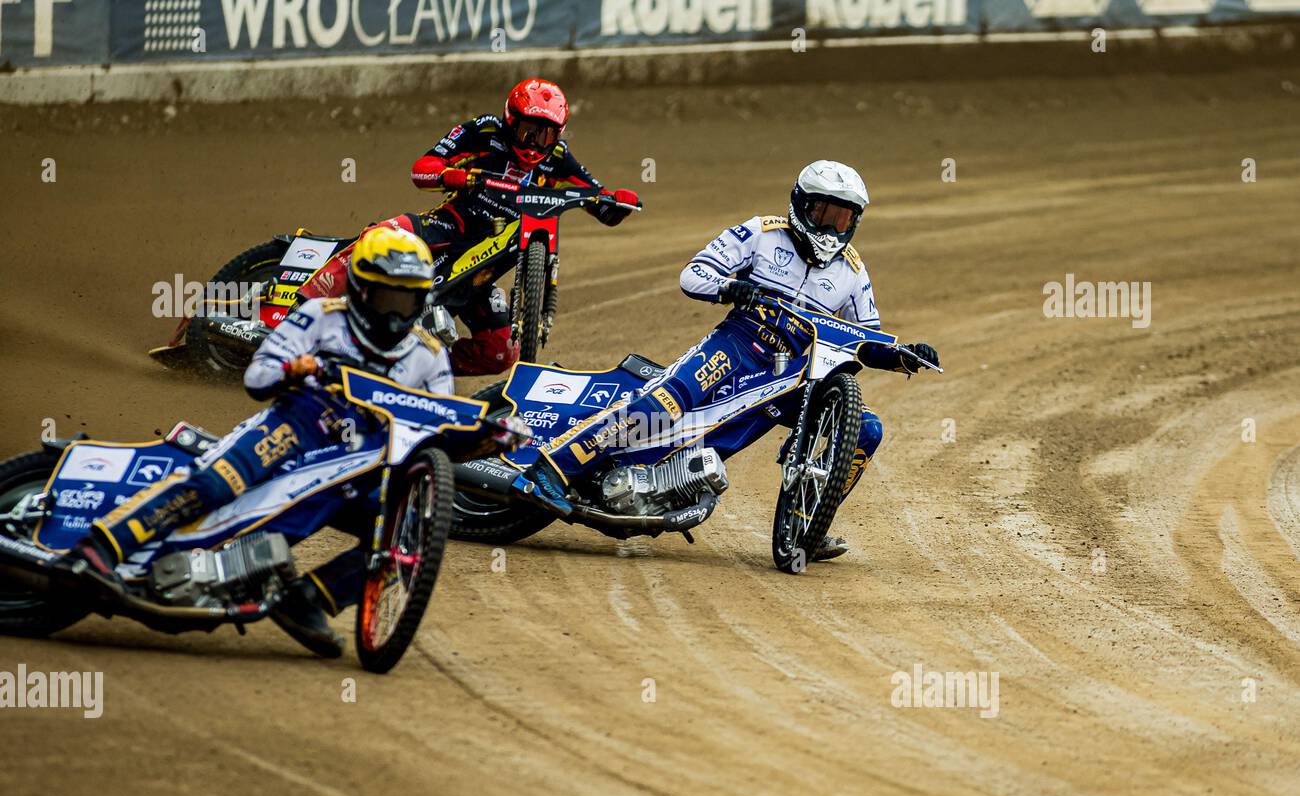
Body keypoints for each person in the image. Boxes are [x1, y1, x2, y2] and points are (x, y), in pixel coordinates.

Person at [60, 226, 454, 656]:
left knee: (405, 531)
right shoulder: (321, 315)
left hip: (358, 458)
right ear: (360, 288)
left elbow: (440, 427)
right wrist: (296, 369)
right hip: (296, 424)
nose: (396, 313)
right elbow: (257, 376)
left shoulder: (430, 356)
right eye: (386, 298)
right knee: (216, 482)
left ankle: (308, 600)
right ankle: (99, 547)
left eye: (407, 300)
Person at [528, 160, 940, 561]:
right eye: (824, 213)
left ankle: (810, 521)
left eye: (843, 218)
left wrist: (906, 353)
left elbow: (865, 336)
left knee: (868, 428)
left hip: (795, 373)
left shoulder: (853, 271)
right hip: (738, 344)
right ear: (801, 204)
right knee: (664, 405)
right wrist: (730, 289)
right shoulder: (761, 232)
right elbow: (693, 274)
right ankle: (552, 469)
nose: (832, 227)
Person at [298, 77, 641, 376]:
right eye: (528, 132)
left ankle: (415, 366)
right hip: (449, 225)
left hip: (485, 266)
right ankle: (297, 311)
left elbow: (594, 196)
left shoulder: (557, 157)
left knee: (502, 351)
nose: (535, 144)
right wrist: (453, 175)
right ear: (511, 121)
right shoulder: (484, 130)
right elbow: (422, 168)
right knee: (379, 238)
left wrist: (615, 203)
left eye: (546, 134)